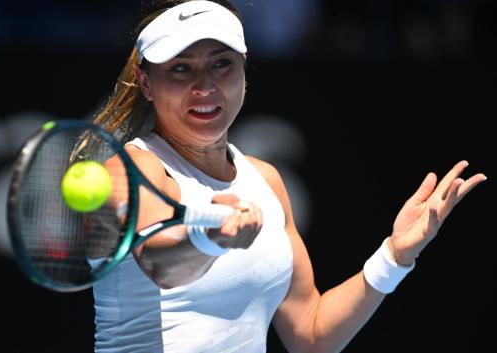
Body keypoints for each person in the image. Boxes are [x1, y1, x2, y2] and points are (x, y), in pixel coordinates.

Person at [71, 1, 487, 352]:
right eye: (181, 69)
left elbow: (310, 334)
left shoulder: (265, 180)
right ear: (145, 82)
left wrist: (394, 257)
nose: (205, 86)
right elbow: (158, 261)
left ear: (244, 68)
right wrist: (209, 236)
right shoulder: (132, 168)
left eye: (221, 64)